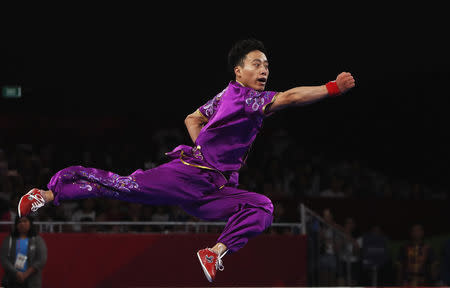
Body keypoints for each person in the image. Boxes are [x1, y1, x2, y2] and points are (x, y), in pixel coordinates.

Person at [16, 39, 355, 282]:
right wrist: (331, 88)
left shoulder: (226, 94)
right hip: (185, 177)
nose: (264, 69)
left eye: (267, 64)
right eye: (256, 63)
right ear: (239, 71)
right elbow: (292, 97)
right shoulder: (251, 100)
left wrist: (204, 149)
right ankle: (47, 194)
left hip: (213, 190)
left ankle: (215, 252)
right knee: (121, 186)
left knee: (263, 208)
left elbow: (192, 119)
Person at [0, 215, 47, 288]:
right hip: (12, 280)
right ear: (16, 225)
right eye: (19, 222)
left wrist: (26, 274)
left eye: (25, 221)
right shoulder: (9, 240)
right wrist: (17, 273)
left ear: (30, 223)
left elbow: (41, 259)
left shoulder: (37, 240)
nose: (22, 224)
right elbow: (4, 259)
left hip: (32, 280)